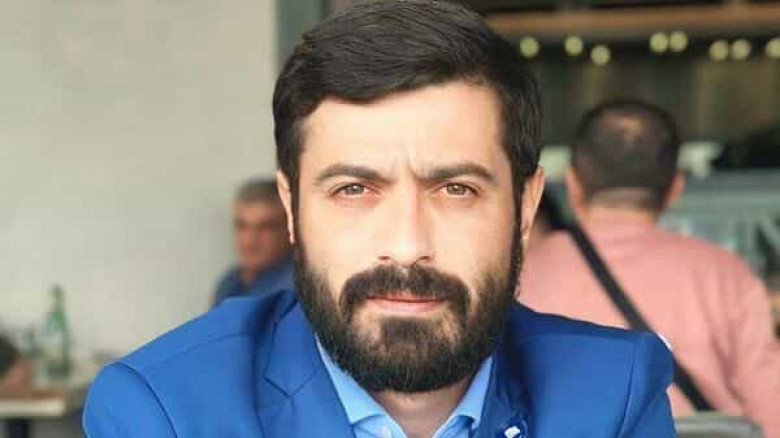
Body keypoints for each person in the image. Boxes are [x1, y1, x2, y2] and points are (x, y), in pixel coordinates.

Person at [82, 3, 676, 438]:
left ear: (525, 207)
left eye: (457, 189)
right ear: (293, 207)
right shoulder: (165, 411)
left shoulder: (613, 391)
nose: (407, 245)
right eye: (354, 189)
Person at [520, 100, 780, 438]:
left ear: (572, 183)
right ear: (675, 188)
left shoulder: (523, 274)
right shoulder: (728, 276)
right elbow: (771, 411)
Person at [211, 178, 293, 307]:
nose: (250, 240)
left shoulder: (296, 288)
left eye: (266, 227)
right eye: (242, 226)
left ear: (289, 229)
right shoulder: (229, 282)